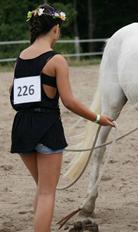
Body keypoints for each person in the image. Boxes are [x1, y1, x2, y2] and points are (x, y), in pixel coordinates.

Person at [9, 4, 114, 232]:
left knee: (42, 188)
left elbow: (13, 94)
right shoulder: (56, 60)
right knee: (47, 192)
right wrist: (98, 118)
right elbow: (69, 101)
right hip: (46, 128)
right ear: (55, 29)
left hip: (21, 127)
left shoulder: (21, 58)